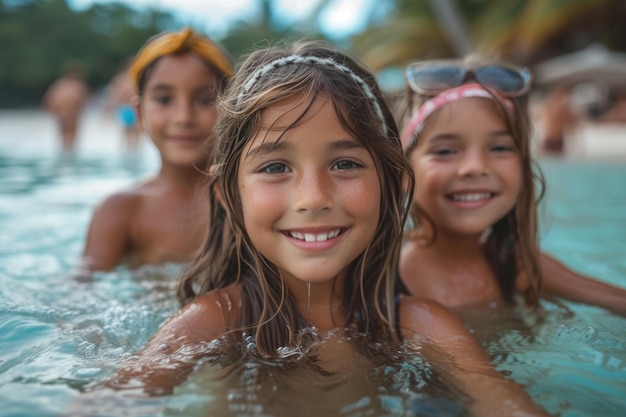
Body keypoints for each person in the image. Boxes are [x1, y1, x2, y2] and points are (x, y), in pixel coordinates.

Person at [72, 41, 549, 417]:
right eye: (276, 167)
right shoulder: (211, 320)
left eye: (344, 163)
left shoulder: (421, 325)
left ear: (395, 184)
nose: (314, 197)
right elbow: (114, 400)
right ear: (227, 195)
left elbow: (500, 401)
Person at [396, 57, 626, 316]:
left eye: (500, 148)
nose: (475, 167)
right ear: (405, 174)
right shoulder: (387, 284)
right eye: (446, 151)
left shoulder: (518, 265)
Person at [77, 27, 234, 276]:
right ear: (139, 114)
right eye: (164, 100)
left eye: (204, 100)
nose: (183, 117)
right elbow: (80, 295)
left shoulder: (247, 201)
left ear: (231, 109)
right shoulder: (122, 210)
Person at [41, 62, 90, 153]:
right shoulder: (78, 86)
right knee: (71, 134)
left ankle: (64, 151)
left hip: (61, 114)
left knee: (63, 134)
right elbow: (84, 101)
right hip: (72, 114)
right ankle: (69, 151)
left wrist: (53, 112)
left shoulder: (58, 86)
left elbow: (47, 101)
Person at [102, 60, 142, 152]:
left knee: (131, 131)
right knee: (130, 131)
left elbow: (113, 95)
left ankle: (129, 151)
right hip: (128, 108)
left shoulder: (125, 79)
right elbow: (113, 95)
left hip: (129, 108)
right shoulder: (133, 78)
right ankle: (130, 151)